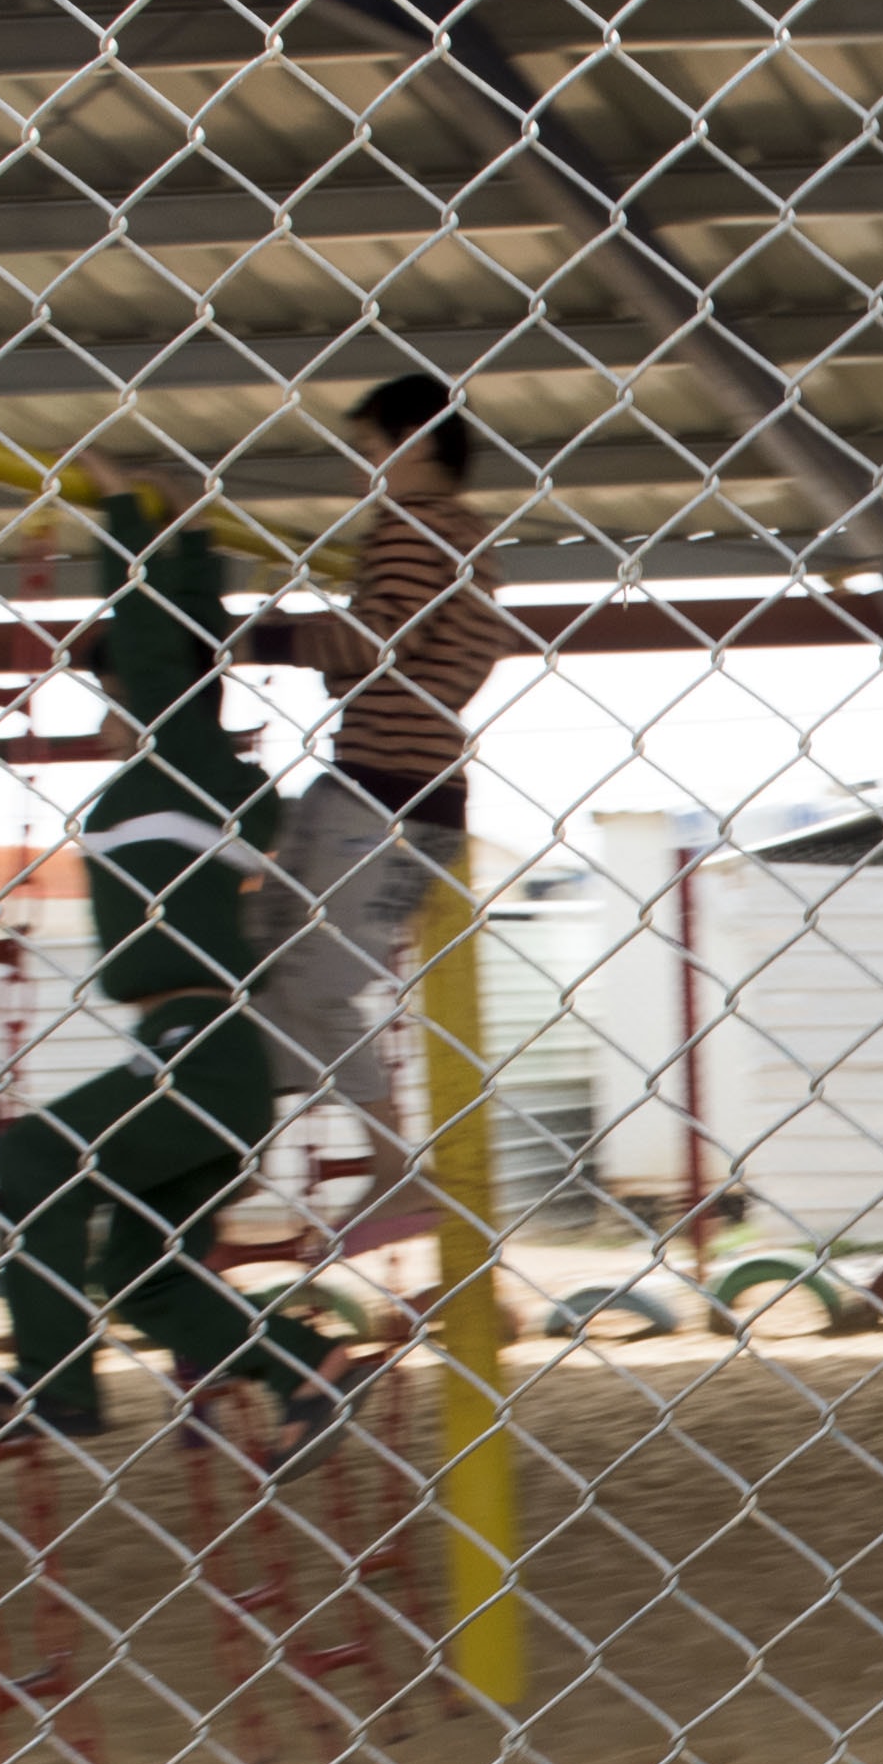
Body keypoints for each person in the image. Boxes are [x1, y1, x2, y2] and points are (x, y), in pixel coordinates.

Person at [0, 479, 362, 1464]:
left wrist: (126, 518)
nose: (105, 706)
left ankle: (53, 1389)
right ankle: (305, 1369)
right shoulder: (195, 786)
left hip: (199, 1052)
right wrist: (188, 545)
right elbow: (174, 643)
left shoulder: (179, 764)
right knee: (141, 1276)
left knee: (34, 1158)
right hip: (204, 1061)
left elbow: (161, 646)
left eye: (114, 688)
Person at [232, 369, 517, 1197]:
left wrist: (252, 642)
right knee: (272, 962)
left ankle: (389, 1166)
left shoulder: (411, 527)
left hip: (384, 789)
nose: (361, 471)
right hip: (392, 786)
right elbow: (412, 651)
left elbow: (376, 640)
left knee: (305, 978)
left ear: (417, 444)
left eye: (369, 450)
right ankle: (253, 1144)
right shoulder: (469, 539)